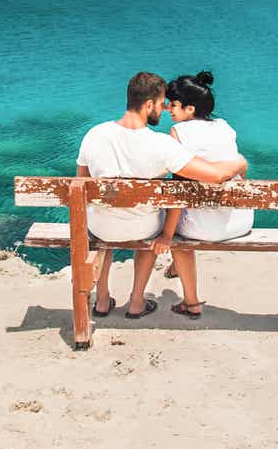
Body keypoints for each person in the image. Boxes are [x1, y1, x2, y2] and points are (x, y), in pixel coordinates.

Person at [76, 72, 247, 319]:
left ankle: (102, 300)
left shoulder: (94, 135)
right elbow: (215, 174)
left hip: (101, 226)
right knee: (152, 231)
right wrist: (239, 163)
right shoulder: (161, 145)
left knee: (104, 229)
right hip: (143, 229)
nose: (164, 108)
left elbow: (81, 182)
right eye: (161, 103)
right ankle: (136, 302)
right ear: (148, 105)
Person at [153, 71, 251, 319]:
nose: (168, 110)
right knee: (191, 209)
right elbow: (240, 171)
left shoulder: (178, 133)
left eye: (173, 105)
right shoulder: (225, 126)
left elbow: (179, 191)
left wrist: (167, 235)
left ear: (189, 108)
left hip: (207, 229)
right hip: (240, 222)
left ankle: (191, 302)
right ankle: (176, 267)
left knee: (175, 234)